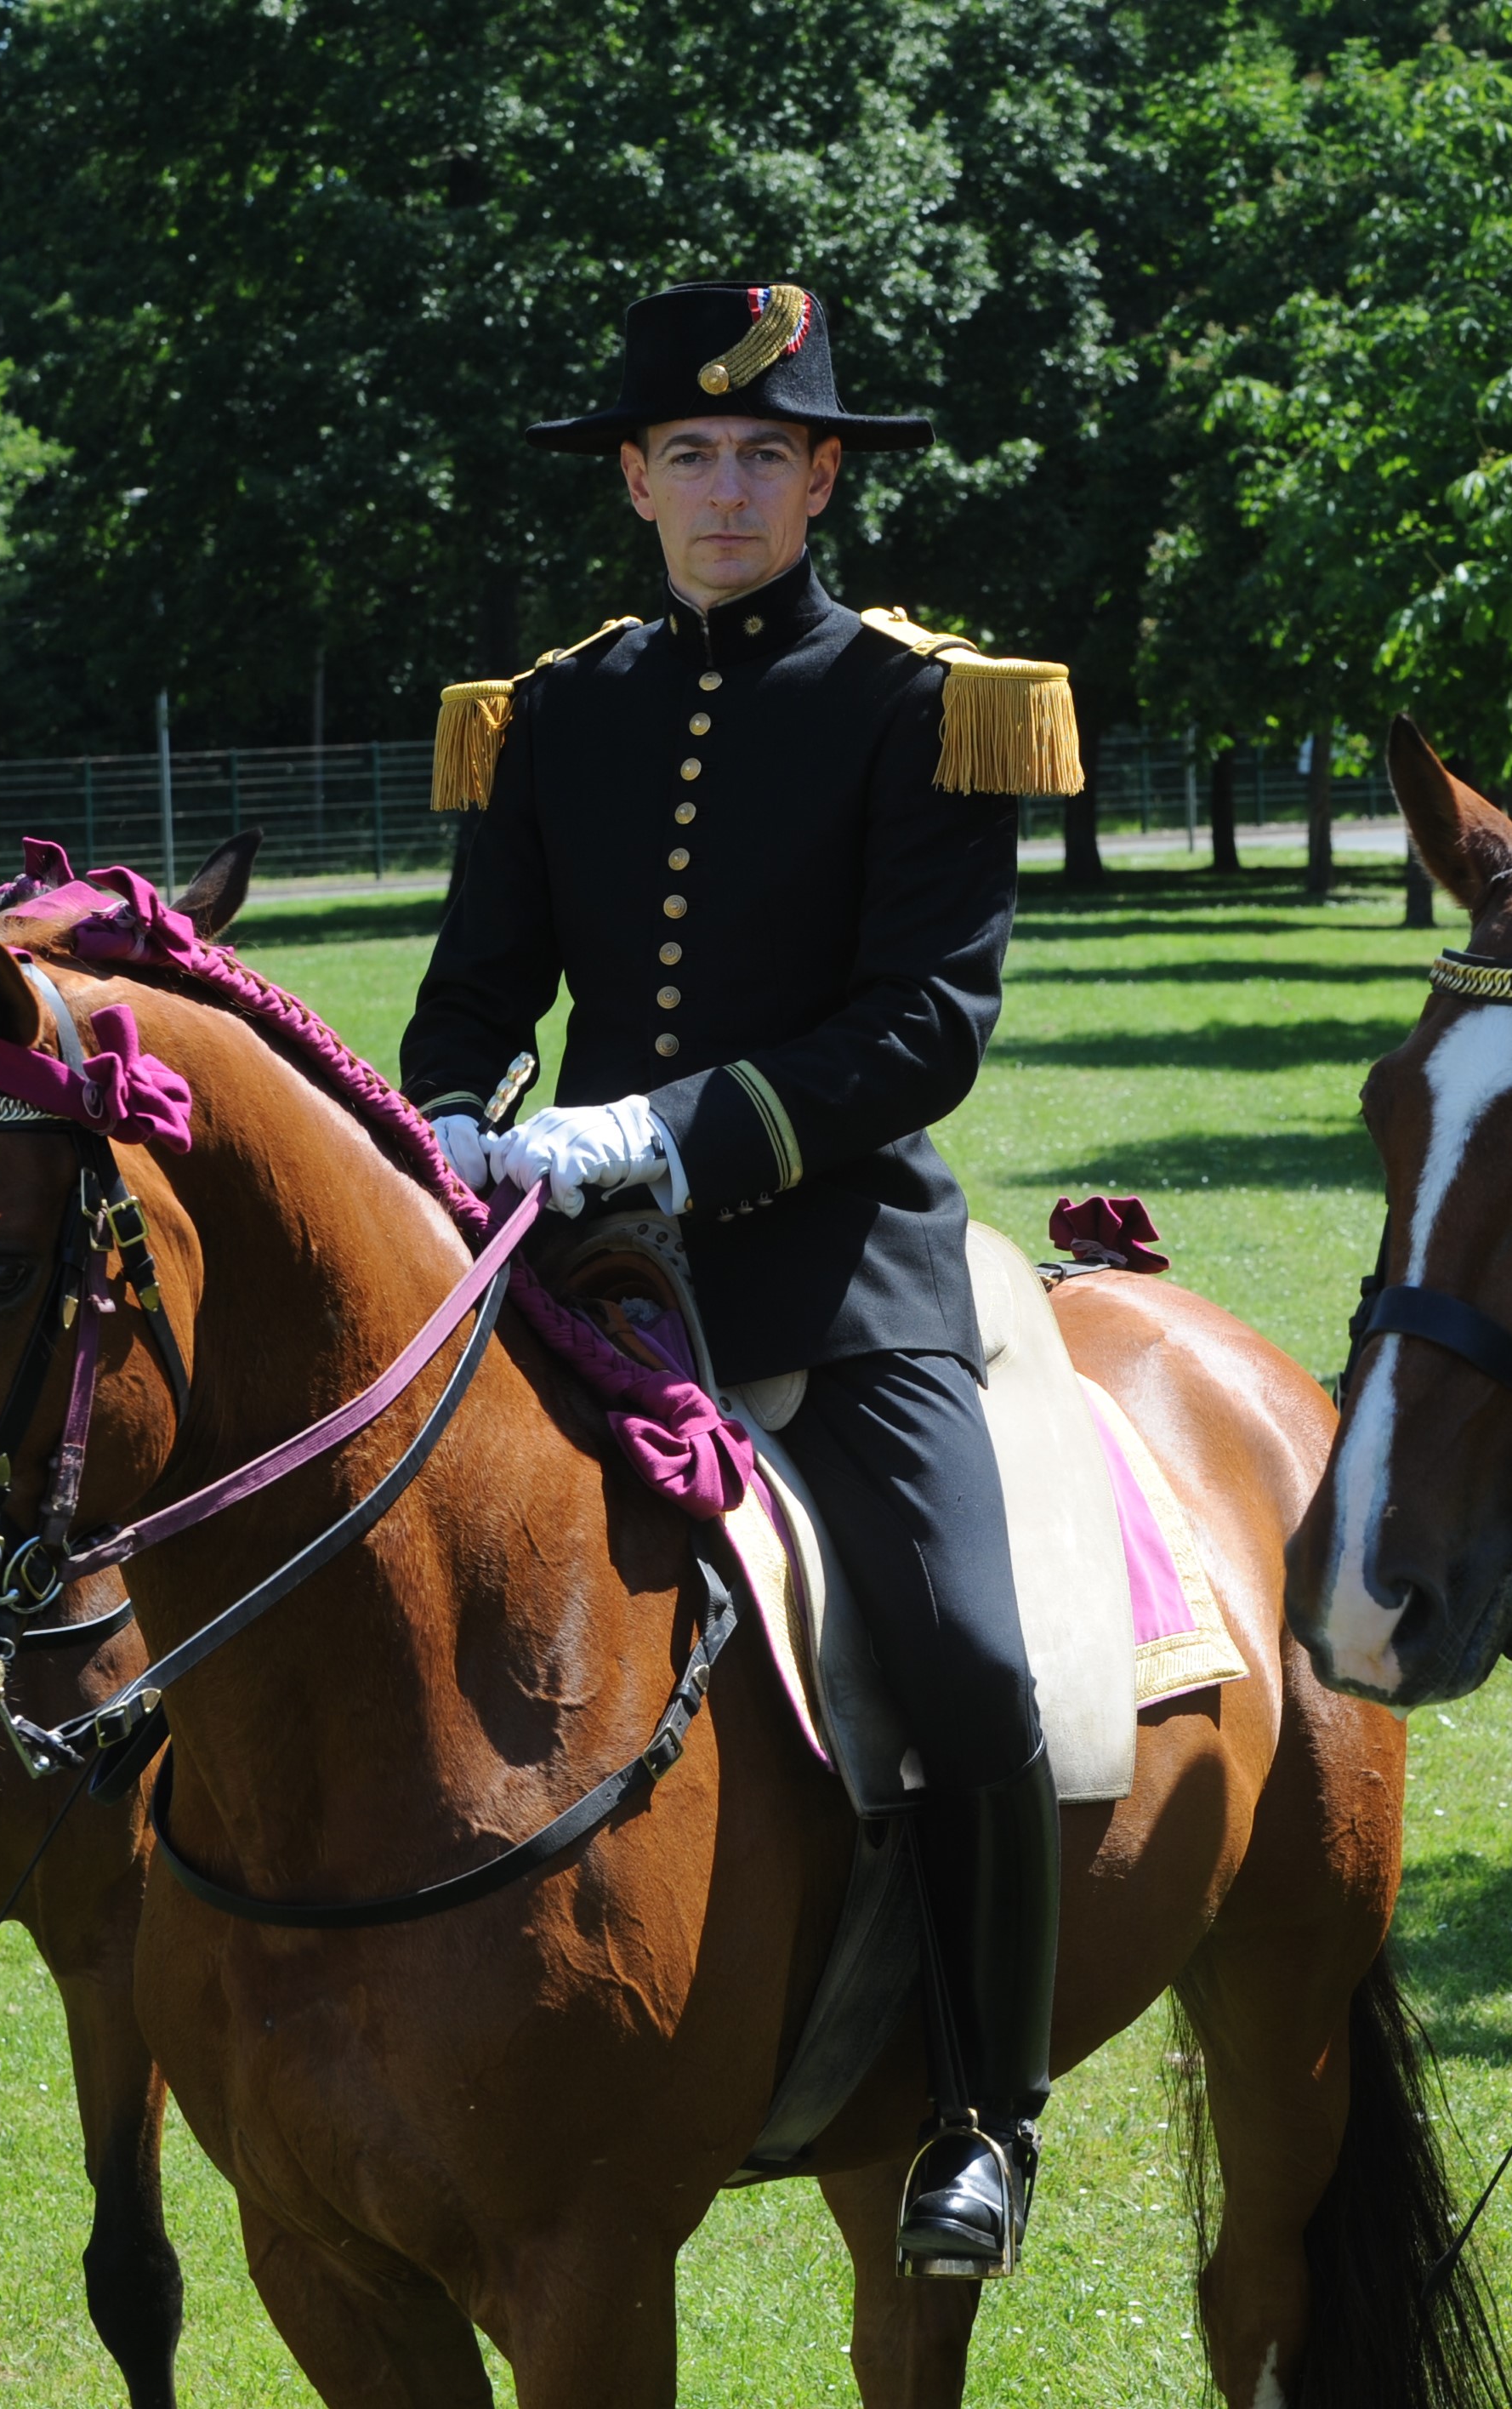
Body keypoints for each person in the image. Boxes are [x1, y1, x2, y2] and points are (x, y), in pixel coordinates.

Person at [396, 282, 1081, 2280]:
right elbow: (473, 991)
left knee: (966, 1654)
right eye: (687, 452)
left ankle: (979, 2111)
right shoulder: (559, 713)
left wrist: (675, 1124)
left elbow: (928, 1026)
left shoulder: (917, 699)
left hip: (836, 1270)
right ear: (632, 476)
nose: (723, 486)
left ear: (824, 474)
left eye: (762, 452)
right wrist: (443, 1113)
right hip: (584, 1273)